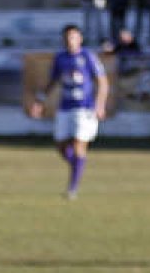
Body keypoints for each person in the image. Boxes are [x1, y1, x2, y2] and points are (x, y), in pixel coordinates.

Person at [28, 24, 110, 200]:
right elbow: (52, 81)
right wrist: (40, 101)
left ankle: (72, 188)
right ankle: (78, 166)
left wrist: (100, 104)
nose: (69, 40)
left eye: (73, 37)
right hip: (65, 107)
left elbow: (102, 82)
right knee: (61, 146)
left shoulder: (88, 56)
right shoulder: (60, 58)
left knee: (79, 144)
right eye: (66, 37)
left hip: (85, 108)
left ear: (80, 38)